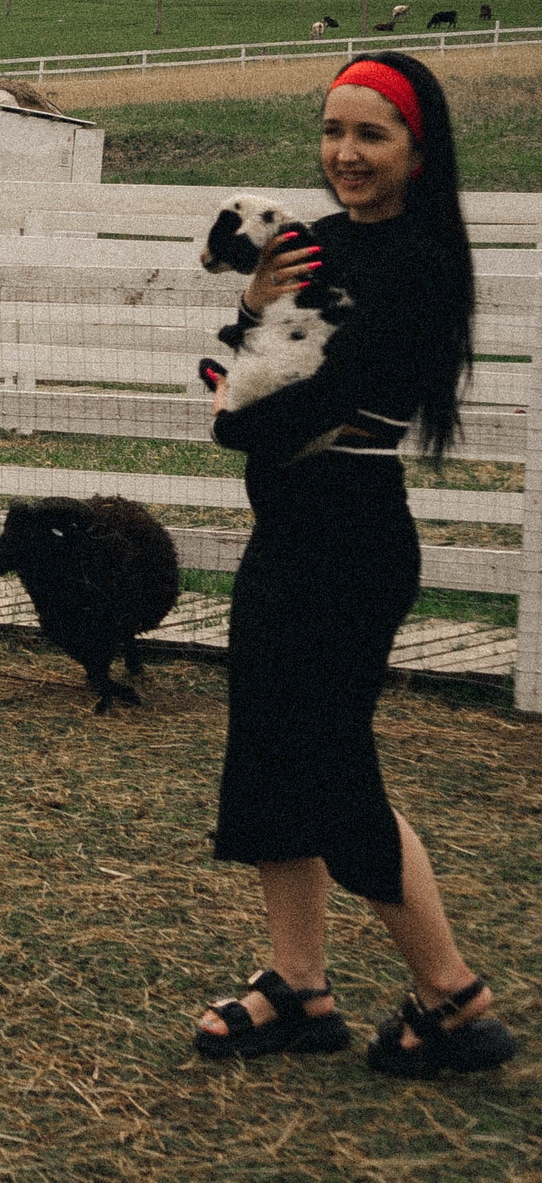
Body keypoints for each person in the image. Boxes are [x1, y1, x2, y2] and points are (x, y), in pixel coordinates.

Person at [191, 52, 516, 1075]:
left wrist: (232, 405)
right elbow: (248, 351)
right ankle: (298, 985)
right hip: (285, 536)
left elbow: (266, 415)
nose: (345, 153)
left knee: (333, 767)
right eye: (334, 132)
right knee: (266, 753)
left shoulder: (421, 266)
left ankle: (454, 1001)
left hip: (350, 544)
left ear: (418, 153)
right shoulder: (314, 247)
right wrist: (249, 306)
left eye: (371, 135)